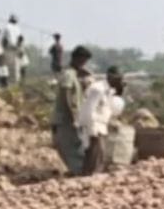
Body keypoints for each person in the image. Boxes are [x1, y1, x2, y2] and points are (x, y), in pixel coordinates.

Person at [52, 45, 92, 175]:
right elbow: (67, 95)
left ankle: (79, 172)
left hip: (69, 119)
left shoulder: (73, 74)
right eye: (83, 61)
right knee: (70, 147)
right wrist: (74, 117)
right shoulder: (69, 74)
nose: (84, 64)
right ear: (77, 59)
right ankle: (79, 172)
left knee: (75, 146)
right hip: (66, 119)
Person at [80, 66, 125, 176]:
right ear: (110, 78)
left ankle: (90, 175)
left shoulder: (108, 90)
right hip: (94, 126)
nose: (120, 82)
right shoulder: (97, 89)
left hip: (101, 125)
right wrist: (92, 130)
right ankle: (91, 175)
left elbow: (107, 108)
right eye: (118, 79)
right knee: (97, 152)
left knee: (98, 153)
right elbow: (88, 109)